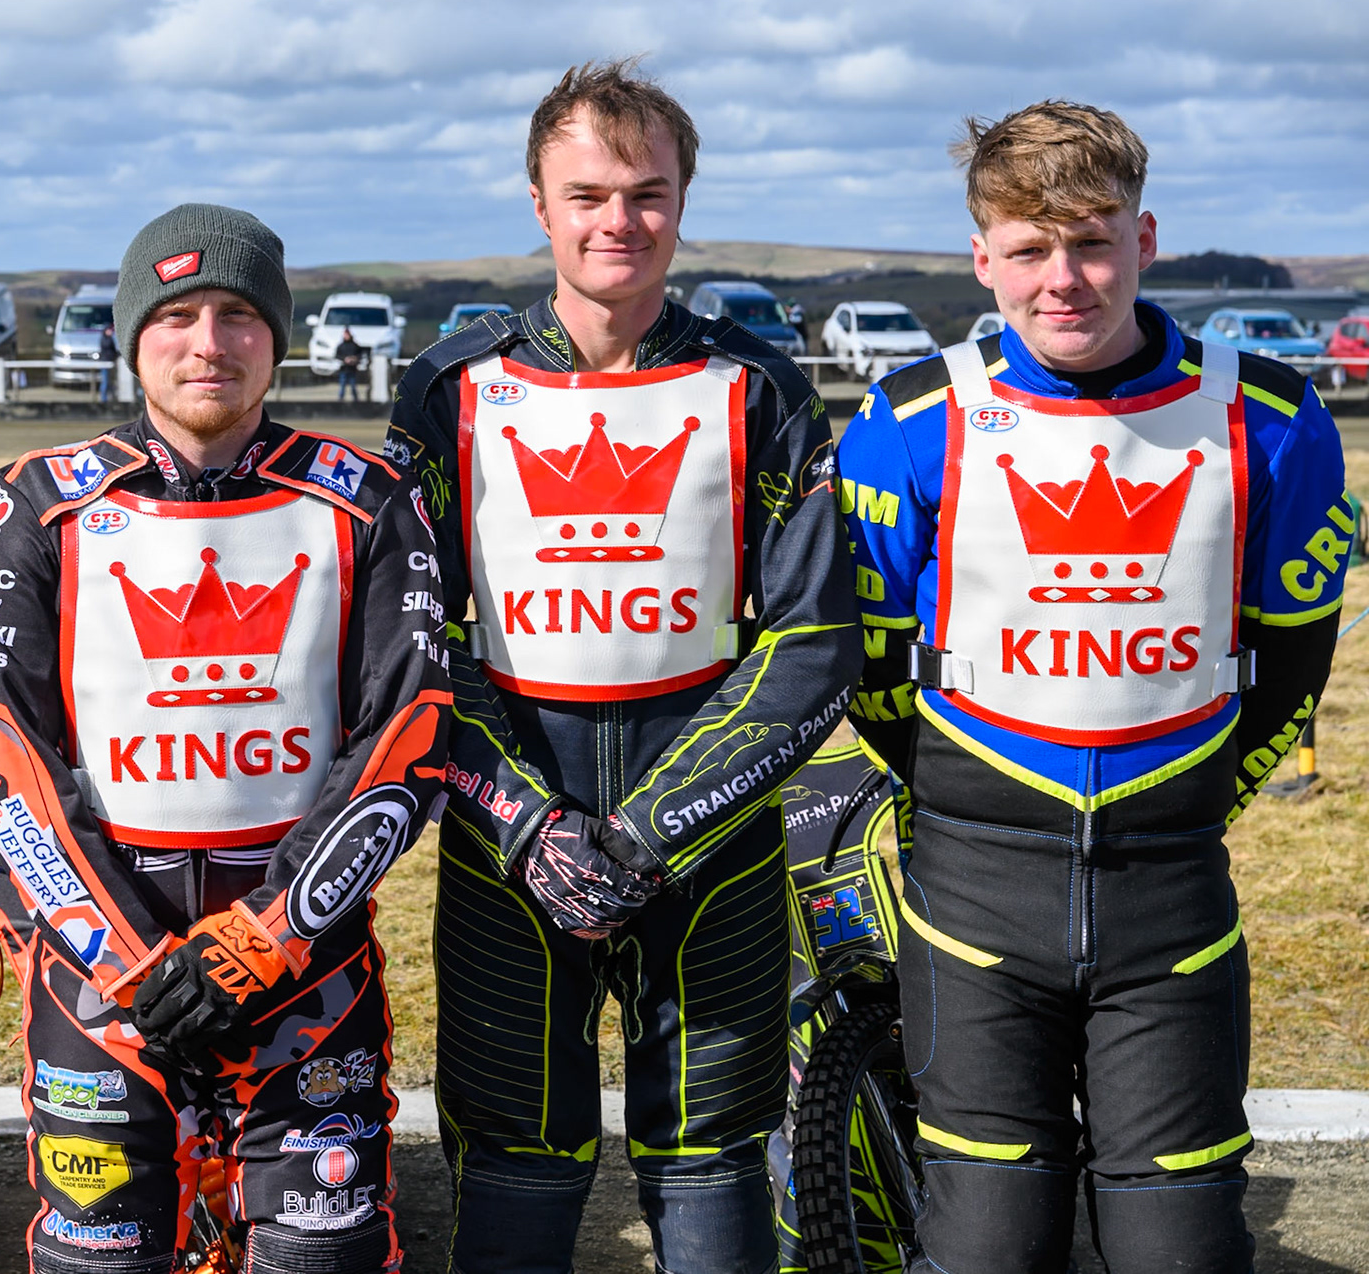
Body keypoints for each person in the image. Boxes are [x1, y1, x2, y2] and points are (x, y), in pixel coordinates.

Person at [839, 101, 1348, 1274]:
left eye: (1092, 239)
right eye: (1027, 248)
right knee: (985, 1251)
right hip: (970, 898)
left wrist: (1191, 800)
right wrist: (968, 806)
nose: (1062, 278)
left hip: (1168, 901)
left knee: (1179, 1250)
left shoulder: (1270, 416)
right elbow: (871, 670)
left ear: (1146, 235)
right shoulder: (910, 418)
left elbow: (1293, 662)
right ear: (983, 258)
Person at [385, 61, 861, 1273]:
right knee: (514, 1143)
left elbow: (810, 646)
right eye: (587, 192)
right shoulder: (448, 388)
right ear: (538, 203)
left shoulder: (758, 385)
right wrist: (527, 820)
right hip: (513, 834)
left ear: (684, 199)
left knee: (710, 1142)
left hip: (711, 836)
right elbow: (418, 642)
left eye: (648, 192)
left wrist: (654, 825)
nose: (618, 221)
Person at [0, 203, 451, 1274]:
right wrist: (134, 964)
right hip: (102, 981)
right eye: (176, 315)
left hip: (306, 975)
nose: (208, 341)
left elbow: (407, 739)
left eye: (237, 314)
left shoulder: (367, 502)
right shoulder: (35, 504)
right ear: (135, 338)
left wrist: (259, 942)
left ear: (278, 336)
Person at [334, 326, 364, 402]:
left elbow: (360, 355)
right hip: (344, 369)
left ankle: (356, 400)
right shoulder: (341, 346)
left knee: (353, 386)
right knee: (342, 386)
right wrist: (345, 359)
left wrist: (354, 359)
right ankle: (340, 400)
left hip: (352, 369)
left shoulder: (355, 345)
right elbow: (337, 356)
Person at [97, 323, 118, 400]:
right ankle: (103, 398)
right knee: (105, 381)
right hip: (105, 363)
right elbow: (107, 346)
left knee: (110, 381)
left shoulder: (110, 339)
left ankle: (111, 397)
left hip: (111, 362)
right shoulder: (104, 339)